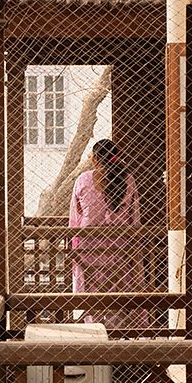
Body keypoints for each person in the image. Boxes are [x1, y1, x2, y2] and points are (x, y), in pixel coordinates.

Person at [69, 138, 144, 328]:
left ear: (95, 158)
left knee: (91, 300)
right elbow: (134, 219)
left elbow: (75, 219)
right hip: (119, 250)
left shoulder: (83, 180)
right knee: (116, 297)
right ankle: (116, 337)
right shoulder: (128, 180)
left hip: (89, 252)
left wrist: (75, 248)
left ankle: (93, 334)